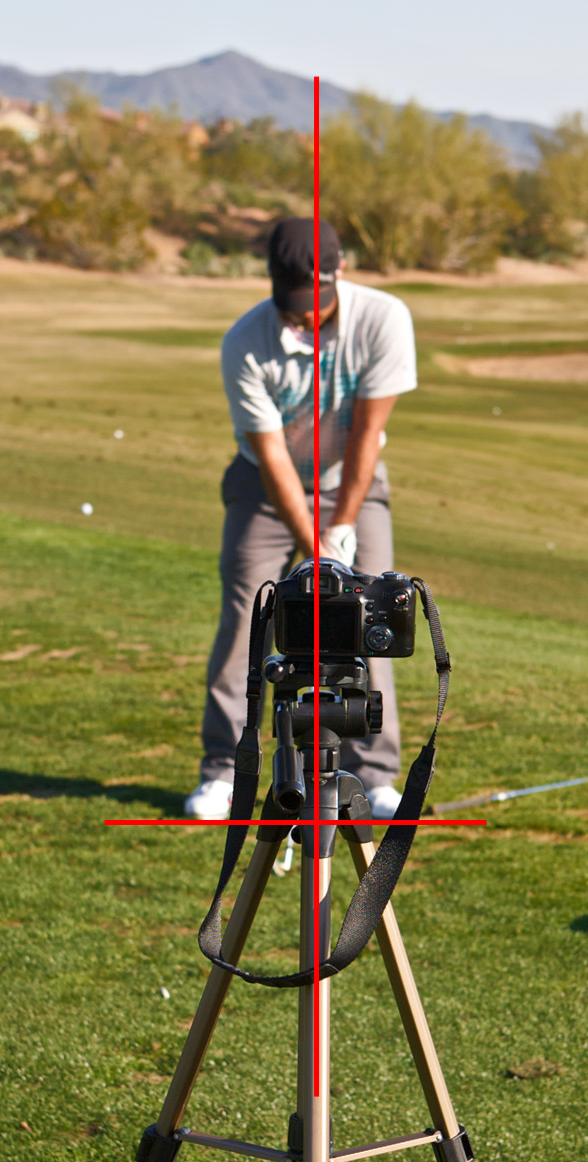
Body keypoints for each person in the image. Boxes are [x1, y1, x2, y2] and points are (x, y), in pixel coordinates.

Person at [185, 217, 418, 820]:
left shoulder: (382, 318)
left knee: (375, 614)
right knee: (249, 615)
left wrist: (341, 529)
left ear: (340, 272)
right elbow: (270, 458)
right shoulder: (245, 340)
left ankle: (376, 773)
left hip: (352, 485)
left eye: (314, 301)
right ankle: (222, 772)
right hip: (265, 487)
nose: (303, 318)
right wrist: (317, 547)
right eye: (292, 304)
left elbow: (367, 436)